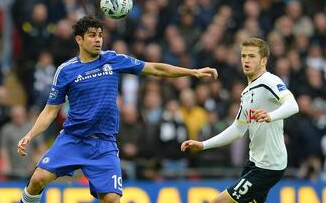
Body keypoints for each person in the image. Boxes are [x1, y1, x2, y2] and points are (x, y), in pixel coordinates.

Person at [17, 15, 218, 203]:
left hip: (103, 144)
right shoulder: (65, 70)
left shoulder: (112, 60)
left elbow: (155, 68)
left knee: (112, 199)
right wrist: (30, 135)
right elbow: (50, 111)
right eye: (92, 35)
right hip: (73, 138)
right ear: (79, 39)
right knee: (38, 179)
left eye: (100, 35)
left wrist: (192, 72)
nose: (98, 40)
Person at [181, 38, 299, 203]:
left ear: (263, 60)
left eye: (252, 56)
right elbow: (237, 129)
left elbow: (293, 105)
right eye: (243, 56)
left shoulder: (269, 81)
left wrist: (270, 116)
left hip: (269, 166)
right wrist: (203, 145)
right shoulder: (246, 92)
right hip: (254, 162)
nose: (246, 60)